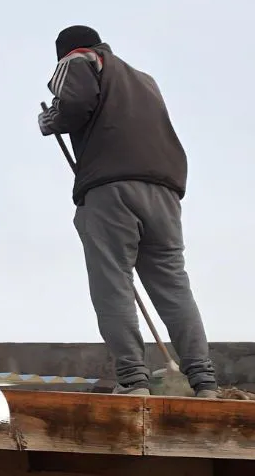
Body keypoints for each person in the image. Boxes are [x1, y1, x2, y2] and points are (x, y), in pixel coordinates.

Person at [38, 25, 218, 398]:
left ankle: (134, 380)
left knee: (112, 284)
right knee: (173, 286)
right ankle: (204, 381)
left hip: (111, 188)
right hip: (164, 190)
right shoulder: (145, 81)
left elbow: (73, 104)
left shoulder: (79, 59)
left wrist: (50, 120)